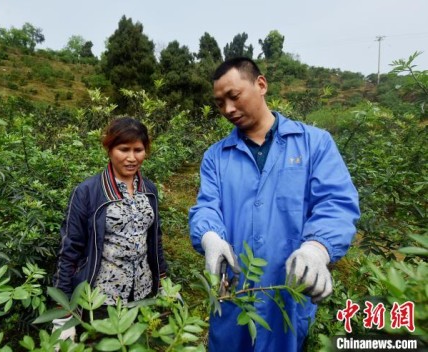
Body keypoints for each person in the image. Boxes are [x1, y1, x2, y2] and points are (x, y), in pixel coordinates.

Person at [189, 57, 360, 351]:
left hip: (287, 296)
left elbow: (336, 202)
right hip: (234, 295)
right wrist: (210, 237)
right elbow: (207, 206)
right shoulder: (216, 157)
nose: (228, 109)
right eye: (220, 103)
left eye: (234, 96)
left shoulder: (314, 143)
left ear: (261, 84)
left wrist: (316, 248)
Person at [52, 117, 168, 341]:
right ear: (109, 148)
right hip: (100, 299)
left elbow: (155, 240)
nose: (132, 158)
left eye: (138, 150)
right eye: (123, 149)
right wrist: (63, 310)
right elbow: (70, 249)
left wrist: (163, 281)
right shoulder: (87, 192)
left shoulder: (149, 190)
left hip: (141, 292)